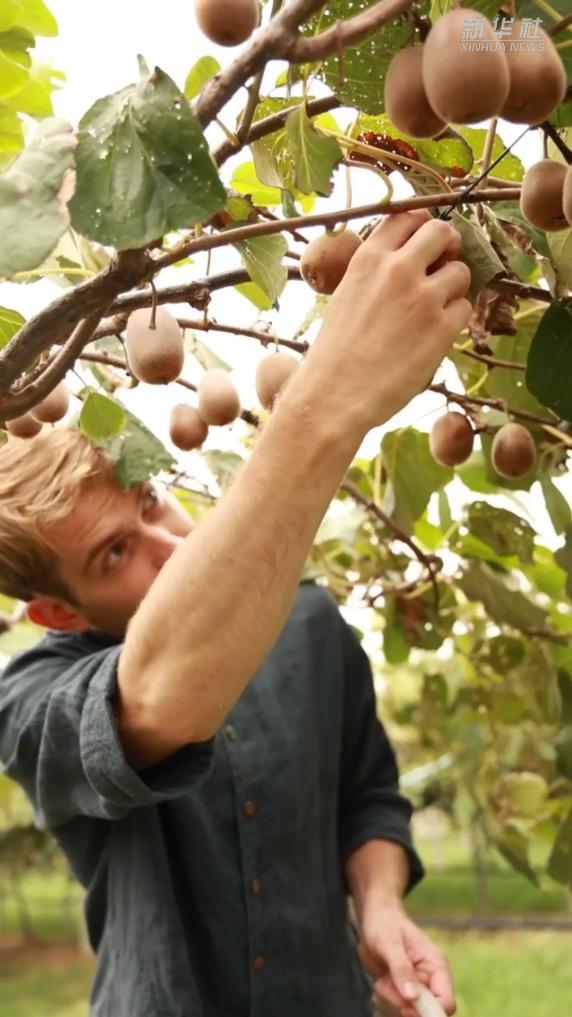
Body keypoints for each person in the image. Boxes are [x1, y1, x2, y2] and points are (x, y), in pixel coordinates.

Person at [0, 209, 471, 1017]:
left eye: (151, 500)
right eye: (116, 552)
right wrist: (327, 401)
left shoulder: (313, 621)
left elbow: (368, 797)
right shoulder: (29, 703)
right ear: (55, 610)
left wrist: (382, 906)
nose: (169, 543)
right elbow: (155, 697)